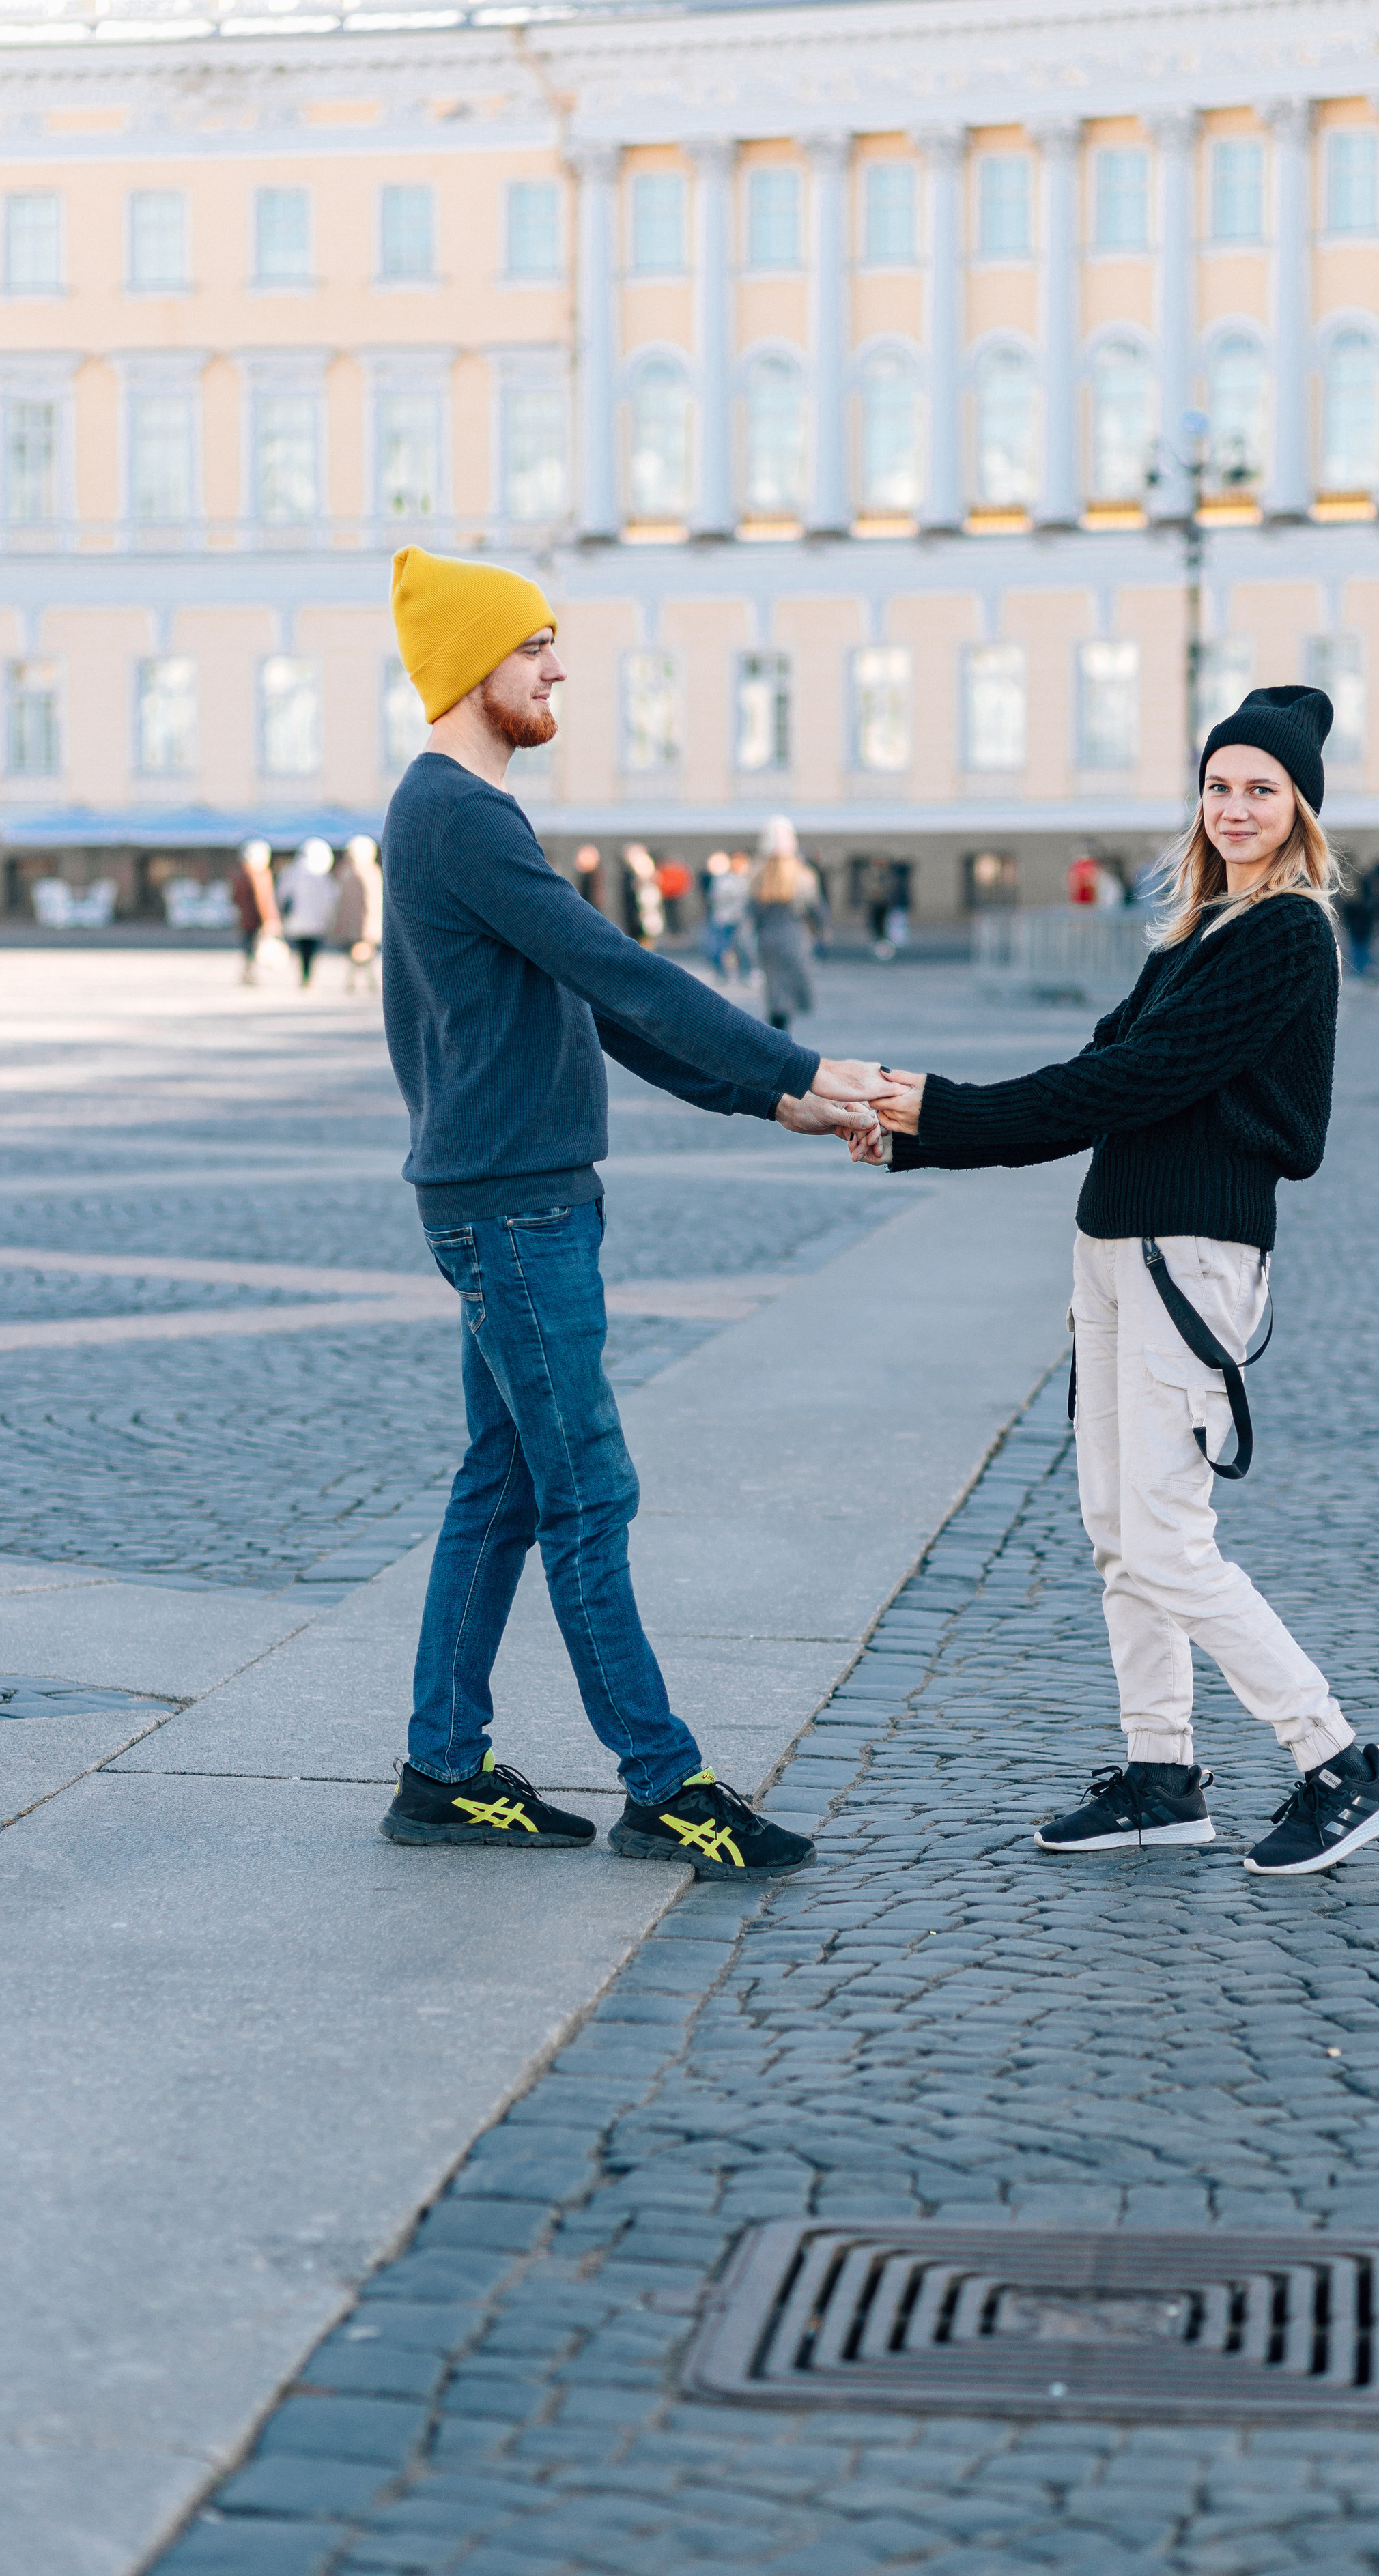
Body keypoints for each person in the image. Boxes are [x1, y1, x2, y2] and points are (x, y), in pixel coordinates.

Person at [375, 548, 887, 1878]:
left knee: (501, 1486)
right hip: (516, 1213)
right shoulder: (457, 813)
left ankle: (440, 1767)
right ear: (473, 663)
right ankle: (661, 1786)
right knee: (585, 1493)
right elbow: (619, 962)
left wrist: (765, 1104)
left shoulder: (458, 813)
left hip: (508, 1202)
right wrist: (796, 1063)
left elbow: (588, 1003)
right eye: (535, 643)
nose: (558, 668)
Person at [863, 685, 1379, 1879]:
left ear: (1301, 809)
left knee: (1168, 1537)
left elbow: (1121, 1091)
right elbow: (1094, 1071)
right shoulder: (1198, 934)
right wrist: (918, 1132)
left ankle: (1337, 1761)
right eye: (1219, 785)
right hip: (1115, 1246)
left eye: (1261, 789)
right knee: (1119, 1527)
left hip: (1187, 1255)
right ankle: (1160, 1774)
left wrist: (940, 1114)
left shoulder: (1284, 935)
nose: (1233, 807)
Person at [748, 818, 822, 1035]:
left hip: (767, 936)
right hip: (793, 935)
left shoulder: (757, 874)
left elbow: (750, 911)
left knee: (774, 986)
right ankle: (784, 1030)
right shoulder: (802, 874)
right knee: (791, 984)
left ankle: (777, 1028)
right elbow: (813, 907)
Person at [279, 838, 338, 988]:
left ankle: (304, 977)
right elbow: (330, 898)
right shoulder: (322, 874)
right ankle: (310, 977)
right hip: (316, 921)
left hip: (297, 920)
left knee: (301, 951)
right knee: (312, 951)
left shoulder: (292, 871)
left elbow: (282, 894)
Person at [333, 833, 384, 992]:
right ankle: (364, 980)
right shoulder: (359, 871)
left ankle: (360, 980)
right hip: (358, 923)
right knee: (360, 954)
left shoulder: (359, 872)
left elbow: (372, 902)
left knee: (360, 953)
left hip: (360, 923)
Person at [232, 839, 282, 986]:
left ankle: (248, 972)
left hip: (246, 919)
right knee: (254, 948)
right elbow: (264, 900)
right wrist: (269, 920)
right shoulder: (260, 875)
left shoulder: (242, 874)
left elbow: (236, 898)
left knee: (249, 947)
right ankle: (249, 973)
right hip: (257, 919)